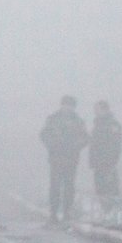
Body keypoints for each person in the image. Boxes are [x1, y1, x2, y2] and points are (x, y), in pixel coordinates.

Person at [39, 95, 89, 223]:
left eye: (70, 105)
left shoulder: (78, 121)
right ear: (61, 105)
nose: (67, 108)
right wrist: (52, 145)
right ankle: (53, 213)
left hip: (71, 159)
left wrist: (75, 146)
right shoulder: (52, 119)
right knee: (55, 186)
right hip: (56, 158)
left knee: (69, 187)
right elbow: (44, 134)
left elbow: (85, 138)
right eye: (65, 105)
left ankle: (67, 212)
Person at [89, 100, 122, 212]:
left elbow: (116, 144)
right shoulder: (97, 125)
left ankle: (113, 211)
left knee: (110, 188)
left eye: (98, 109)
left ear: (105, 109)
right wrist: (92, 160)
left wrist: (112, 160)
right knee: (100, 188)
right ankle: (105, 211)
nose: (95, 112)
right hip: (98, 163)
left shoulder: (112, 125)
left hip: (108, 162)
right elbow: (93, 144)